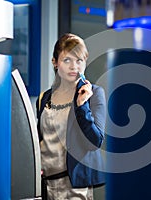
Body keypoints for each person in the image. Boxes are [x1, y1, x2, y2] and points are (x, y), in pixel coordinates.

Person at [36, 33, 106, 200]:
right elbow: (41, 140)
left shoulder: (94, 94)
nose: (74, 66)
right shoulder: (44, 98)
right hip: (44, 185)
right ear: (55, 63)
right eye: (67, 60)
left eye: (79, 60)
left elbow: (94, 142)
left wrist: (82, 106)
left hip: (74, 187)